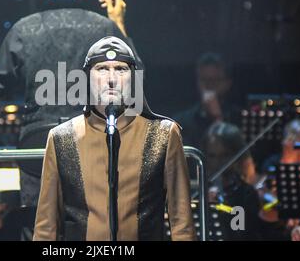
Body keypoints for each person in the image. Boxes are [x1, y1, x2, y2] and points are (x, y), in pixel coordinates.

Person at [33, 36, 195, 241]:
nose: (111, 78)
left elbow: (182, 224)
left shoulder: (163, 134)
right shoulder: (61, 138)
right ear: (87, 78)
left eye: (121, 69)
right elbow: (46, 227)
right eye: (101, 69)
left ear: (134, 78)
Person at [0, 0, 142, 145]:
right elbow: (135, 83)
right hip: (89, 145)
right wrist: (119, 24)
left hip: (38, 147)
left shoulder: (23, 29)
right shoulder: (104, 28)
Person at [202, 122, 262, 240]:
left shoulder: (246, 193)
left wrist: (222, 207)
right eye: (212, 156)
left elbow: (240, 234)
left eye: (225, 155)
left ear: (237, 155)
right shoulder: (197, 191)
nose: (218, 162)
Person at [175, 53, 240, 150]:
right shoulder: (181, 121)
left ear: (228, 83)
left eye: (215, 80)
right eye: (204, 80)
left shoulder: (238, 117)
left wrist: (217, 118)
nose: (209, 85)